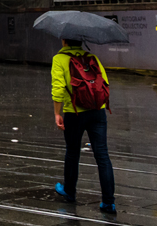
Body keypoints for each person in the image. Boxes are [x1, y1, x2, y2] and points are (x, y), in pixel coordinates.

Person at [52, 38, 116, 214]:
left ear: (64, 40)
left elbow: (58, 87)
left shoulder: (60, 59)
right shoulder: (92, 57)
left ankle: (70, 191)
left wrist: (57, 113)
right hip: (98, 111)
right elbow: (105, 83)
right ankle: (109, 202)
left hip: (74, 112)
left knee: (72, 152)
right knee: (102, 155)